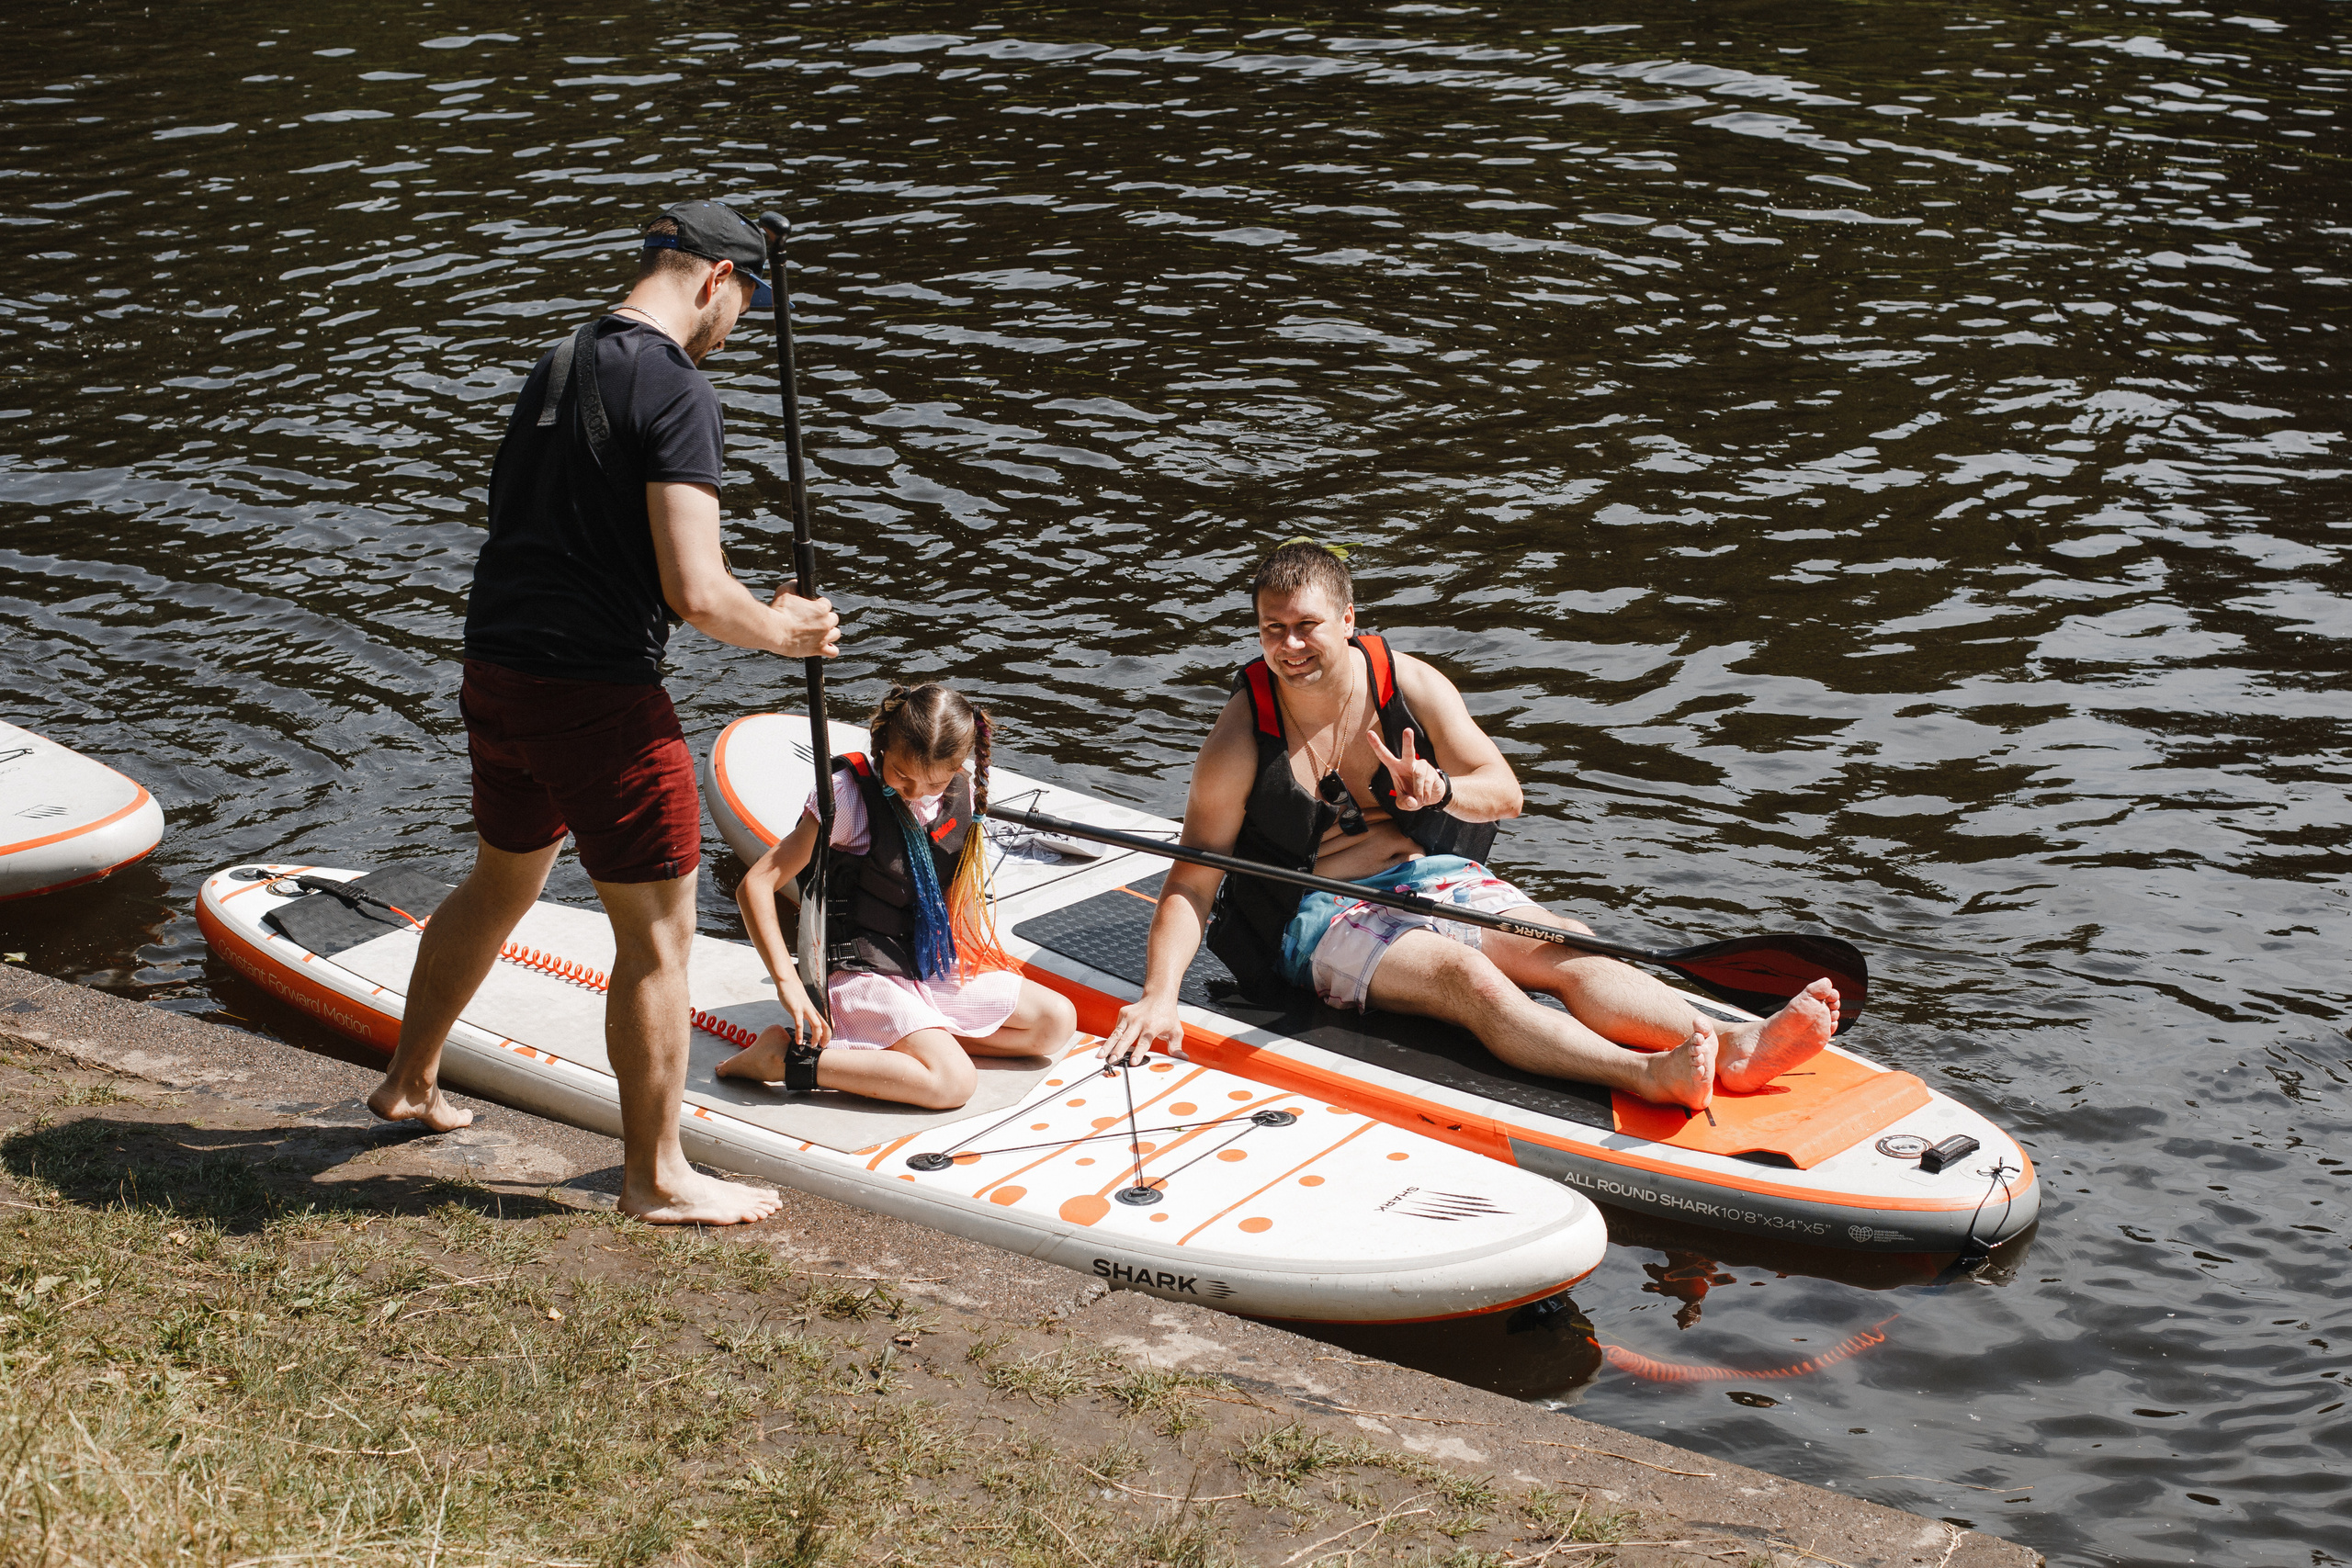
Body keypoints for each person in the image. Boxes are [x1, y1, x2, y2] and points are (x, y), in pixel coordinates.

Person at [368, 199, 840, 1226]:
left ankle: (409, 1080)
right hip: (596, 692)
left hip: (495, 666)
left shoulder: (562, 355)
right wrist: (788, 631)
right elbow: (698, 594)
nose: (735, 332)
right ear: (717, 278)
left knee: (499, 881)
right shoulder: (676, 385)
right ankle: (657, 1177)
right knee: (660, 939)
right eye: (742, 308)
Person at [1101, 541, 1837, 1110]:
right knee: (1468, 975)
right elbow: (1193, 879)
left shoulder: (1411, 682)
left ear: (1349, 619)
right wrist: (1160, 990)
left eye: (1306, 627)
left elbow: (1505, 792)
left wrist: (1442, 788)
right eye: (1272, 630)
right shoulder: (1239, 737)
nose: (1290, 647)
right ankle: (1647, 1074)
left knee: (1566, 940)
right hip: (1321, 914)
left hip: (1431, 877)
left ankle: (1736, 1045)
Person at [716, 682, 1078, 1108]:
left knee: (1055, 1022)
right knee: (952, 1083)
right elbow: (755, 885)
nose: (915, 793)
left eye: (933, 784)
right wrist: (787, 985)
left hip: (924, 966)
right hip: (857, 971)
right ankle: (787, 1061)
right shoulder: (846, 800)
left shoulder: (958, 791)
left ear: (956, 766)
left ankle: (918, 1041)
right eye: (902, 776)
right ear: (883, 744)